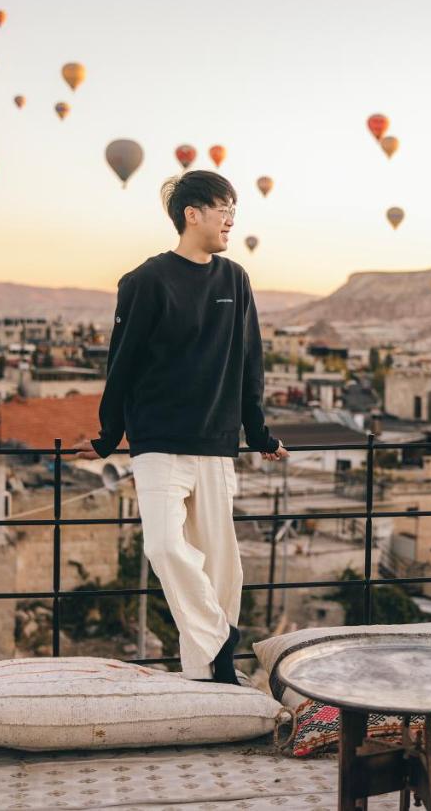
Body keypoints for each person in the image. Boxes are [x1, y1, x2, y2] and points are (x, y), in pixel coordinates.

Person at [74, 170, 288, 685]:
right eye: (223, 208)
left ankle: (206, 673)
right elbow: (121, 365)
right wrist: (108, 436)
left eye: (235, 208)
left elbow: (249, 363)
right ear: (192, 214)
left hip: (216, 443)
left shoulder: (235, 279)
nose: (231, 218)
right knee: (165, 547)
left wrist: (257, 434)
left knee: (223, 566)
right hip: (158, 442)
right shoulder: (145, 281)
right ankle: (221, 641)